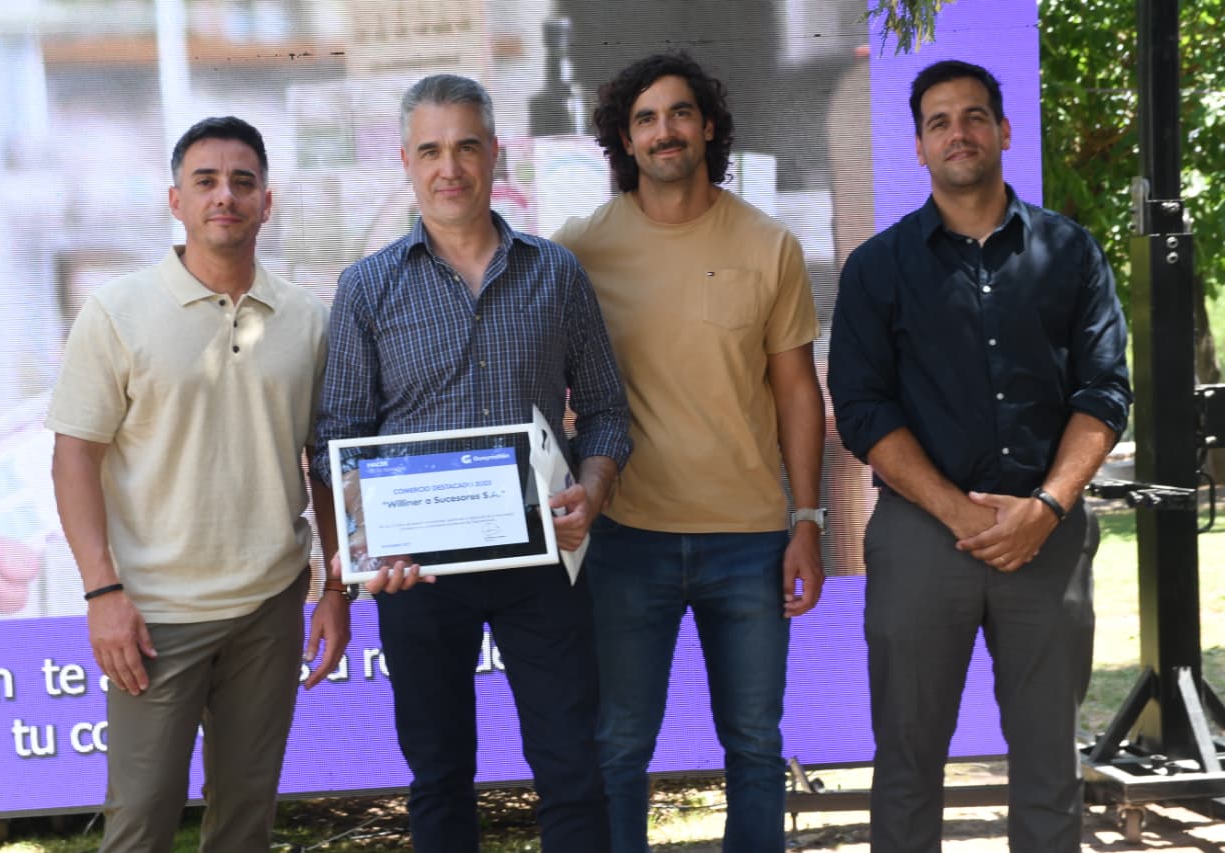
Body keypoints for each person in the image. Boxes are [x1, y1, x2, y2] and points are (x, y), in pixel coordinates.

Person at [311, 74, 630, 853]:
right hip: (417, 574)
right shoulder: (366, 288)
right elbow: (336, 437)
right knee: (439, 776)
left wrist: (592, 489)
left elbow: (607, 410)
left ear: (494, 154)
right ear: (406, 161)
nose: (448, 167)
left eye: (465, 147)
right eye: (430, 150)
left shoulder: (555, 273)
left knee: (572, 769)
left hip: (542, 559)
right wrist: (364, 549)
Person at [828, 60, 1132, 852]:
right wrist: (958, 512)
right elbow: (862, 409)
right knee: (906, 761)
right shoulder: (878, 267)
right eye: (938, 121)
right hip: (922, 534)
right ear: (919, 147)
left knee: (1049, 764)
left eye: (973, 116)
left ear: (1004, 130)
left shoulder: (1071, 252)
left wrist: (1048, 505)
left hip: (1046, 532)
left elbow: (1104, 391)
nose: (957, 132)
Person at [46, 116, 350, 852]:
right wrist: (102, 592)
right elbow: (74, 457)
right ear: (175, 200)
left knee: (246, 819)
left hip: (269, 606)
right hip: (154, 614)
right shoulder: (116, 313)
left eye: (243, 182)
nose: (225, 196)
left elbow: (325, 461)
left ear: (267, 203)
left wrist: (338, 586)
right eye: (205, 181)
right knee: (141, 821)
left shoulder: (307, 318)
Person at [553, 52, 826, 853]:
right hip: (624, 538)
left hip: (748, 540)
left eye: (679, 113)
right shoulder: (579, 249)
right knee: (619, 746)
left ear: (708, 127)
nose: (663, 130)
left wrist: (807, 519)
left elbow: (797, 393)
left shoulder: (768, 244)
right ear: (624, 140)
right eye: (644, 118)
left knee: (755, 746)